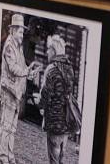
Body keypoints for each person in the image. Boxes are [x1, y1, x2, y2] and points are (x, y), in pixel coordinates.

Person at [0, 13, 41, 164]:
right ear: (13, 31)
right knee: (6, 126)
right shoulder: (9, 45)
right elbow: (14, 68)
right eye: (20, 32)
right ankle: (3, 157)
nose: (22, 35)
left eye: (23, 32)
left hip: (16, 92)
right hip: (9, 90)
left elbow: (21, 67)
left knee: (12, 128)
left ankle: (10, 156)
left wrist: (29, 73)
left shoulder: (18, 46)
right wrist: (25, 72)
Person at [38, 33, 76, 164]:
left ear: (53, 51)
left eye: (48, 49)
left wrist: (41, 106)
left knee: (53, 157)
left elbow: (46, 92)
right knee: (61, 156)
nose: (47, 51)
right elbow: (70, 92)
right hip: (65, 120)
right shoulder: (70, 69)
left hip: (54, 120)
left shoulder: (52, 69)